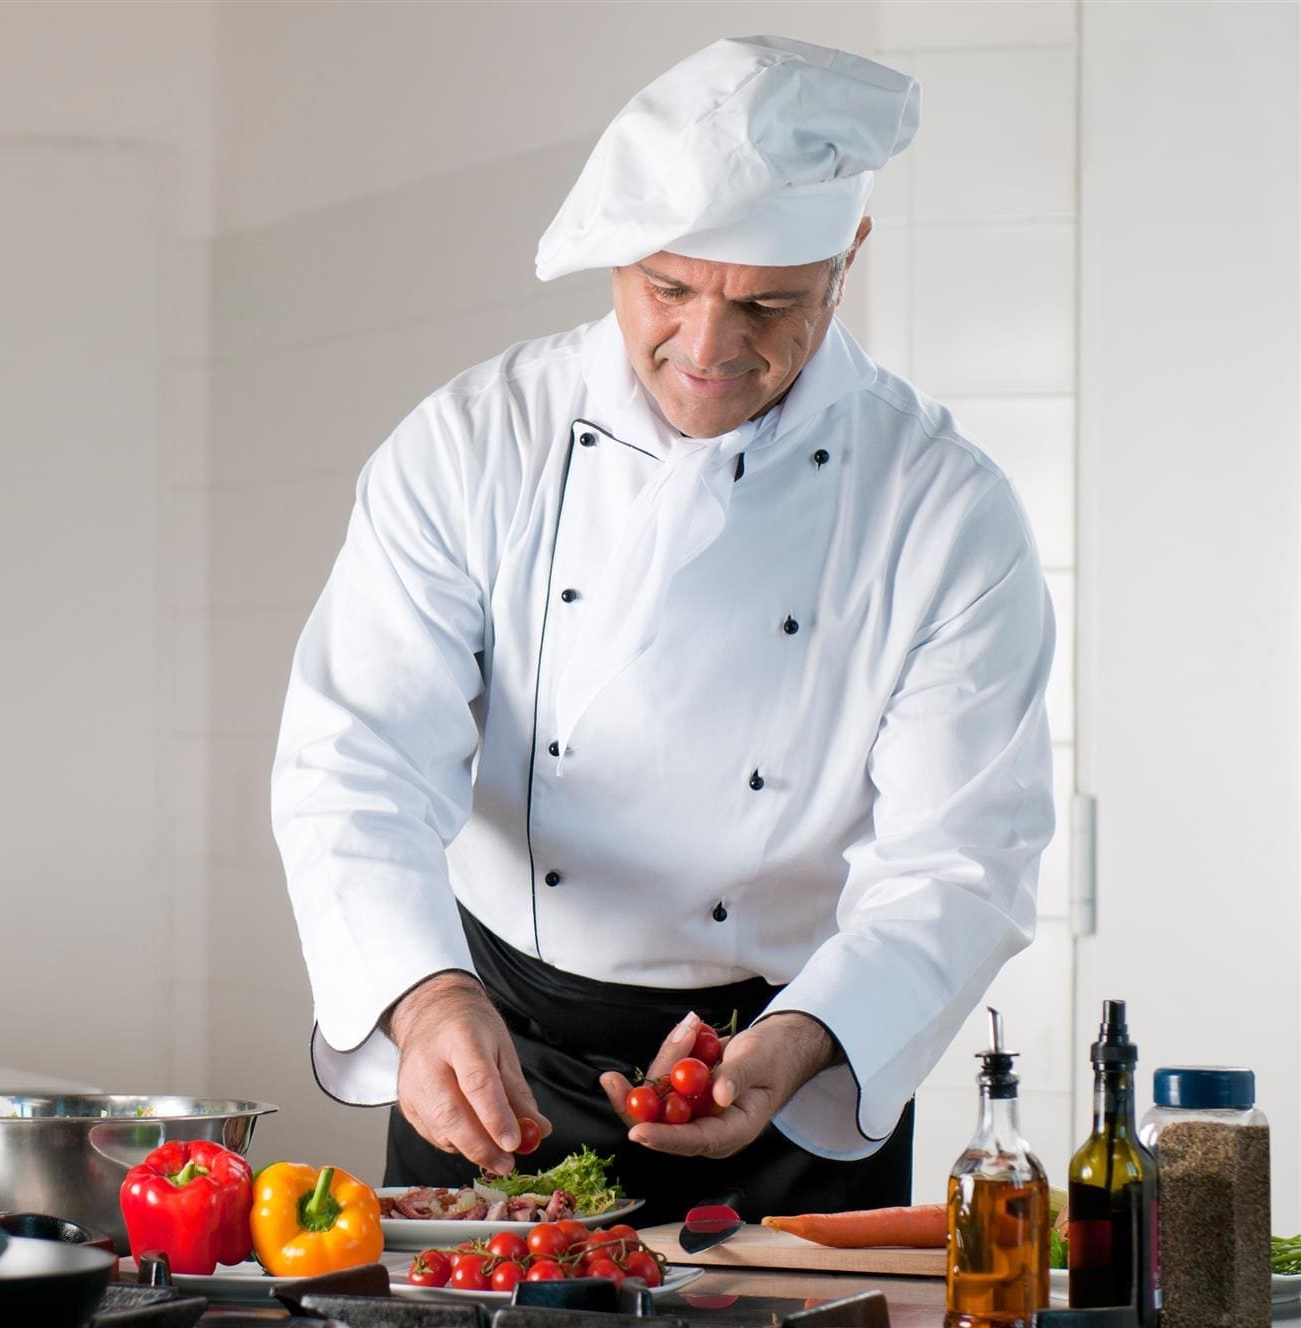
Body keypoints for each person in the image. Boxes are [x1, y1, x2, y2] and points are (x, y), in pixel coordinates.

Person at [270, 35, 1056, 1222]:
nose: (706, 349)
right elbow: (356, 757)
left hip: (791, 1066)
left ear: (847, 256)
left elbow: (960, 857)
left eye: (764, 304)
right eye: (669, 289)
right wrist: (425, 1000)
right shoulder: (475, 443)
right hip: (501, 1047)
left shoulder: (942, 505)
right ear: (616, 260)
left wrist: (797, 1039)